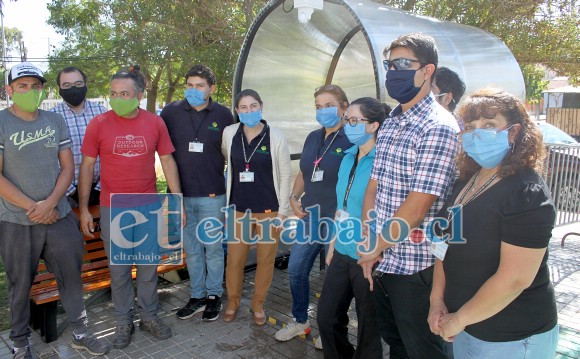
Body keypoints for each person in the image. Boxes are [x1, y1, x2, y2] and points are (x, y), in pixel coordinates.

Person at [428, 88, 559, 358]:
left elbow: (515, 279)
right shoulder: (465, 182)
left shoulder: (525, 192)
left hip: (512, 337)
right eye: (470, 127)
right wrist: (436, 300)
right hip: (464, 326)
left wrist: (459, 318)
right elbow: (444, 246)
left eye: (489, 125)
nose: (477, 134)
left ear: (513, 132)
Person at [357, 33, 459, 359]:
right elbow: (374, 186)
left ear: (427, 70)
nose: (393, 72)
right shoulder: (392, 122)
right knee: (397, 345)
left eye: (403, 64)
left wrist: (373, 249)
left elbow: (417, 207)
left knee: (424, 351)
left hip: (417, 270)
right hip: (384, 261)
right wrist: (369, 239)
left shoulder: (438, 126)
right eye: (390, 65)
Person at [0, 62, 109, 358]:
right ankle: (21, 342)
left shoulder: (53, 121)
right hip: (17, 220)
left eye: (35, 86)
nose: (29, 91)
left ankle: (81, 330)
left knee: (71, 275)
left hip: (58, 214)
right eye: (22, 86)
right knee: (20, 282)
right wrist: (32, 207)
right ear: (9, 90)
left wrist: (50, 204)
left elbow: (68, 167)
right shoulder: (1, 123)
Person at [78, 66, 182, 349]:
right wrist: (86, 209)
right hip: (113, 209)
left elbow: (168, 161)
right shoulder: (99, 124)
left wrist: (177, 200)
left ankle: (150, 316)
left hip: (148, 207)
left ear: (138, 94)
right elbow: (87, 167)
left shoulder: (155, 123)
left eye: (124, 93)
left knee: (149, 268)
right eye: (113, 93)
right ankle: (123, 321)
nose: (118, 98)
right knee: (120, 270)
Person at [275, 84, 352, 342]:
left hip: (338, 220)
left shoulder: (352, 137)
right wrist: (294, 198)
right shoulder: (312, 137)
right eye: (318, 107)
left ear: (344, 107)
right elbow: (305, 172)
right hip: (310, 217)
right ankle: (300, 321)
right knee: (296, 270)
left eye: (329, 105)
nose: (323, 111)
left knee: (333, 280)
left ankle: (331, 329)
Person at [161, 64, 234, 322]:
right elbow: (163, 152)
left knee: (213, 248)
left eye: (200, 86)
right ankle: (197, 295)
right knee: (191, 250)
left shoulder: (225, 115)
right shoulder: (170, 112)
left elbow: (233, 155)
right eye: (189, 85)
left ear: (211, 89)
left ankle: (214, 295)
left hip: (213, 196)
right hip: (180, 196)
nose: (193, 90)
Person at [316, 97, 389, 358]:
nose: (348, 125)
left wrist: (376, 248)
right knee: (326, 318)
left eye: (355, 120)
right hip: (342, 251)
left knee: (369, 328)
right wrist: (333, 243)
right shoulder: (347, 157)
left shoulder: (384, 162)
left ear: (373, 126)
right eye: (347, 120)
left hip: (368, 255)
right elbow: (341, 206)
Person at [221, 89, 292, 325]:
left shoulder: (276, 136)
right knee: (235, 260)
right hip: (239, 209)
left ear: (261, 107)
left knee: (265, 260)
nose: (249, 111)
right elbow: (227, 162)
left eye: (253, 106)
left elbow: (285, 176)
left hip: (269, 210)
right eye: (243, 107)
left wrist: (282, 212)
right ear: (237, 110)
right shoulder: (230, 133)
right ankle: (233, 302)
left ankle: (258, 304)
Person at [50, 66, 107, 207]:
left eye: (78, 84)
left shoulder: (102, 113)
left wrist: (99, 189)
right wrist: (70, 191)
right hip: (66, 194)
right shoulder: (52, 118)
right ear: (59, 88)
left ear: (85, 84)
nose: (73, 89)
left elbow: (111, 153)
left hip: (102, 190)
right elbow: (48, 159)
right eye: (67, 85)